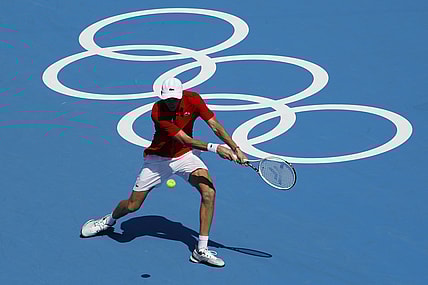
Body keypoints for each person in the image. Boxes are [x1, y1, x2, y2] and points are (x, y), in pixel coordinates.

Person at [80, 77, 248, 267]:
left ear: (181, 94)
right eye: (167, 98)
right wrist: (215, 148)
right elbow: (185, 139)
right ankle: (108, 221)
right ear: (162, 96)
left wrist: (235, 148)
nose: (171, 102)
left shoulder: (194, 100)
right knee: (133, 205)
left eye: (174, 98)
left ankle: (201, 249)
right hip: (157, 161)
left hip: (184, 157)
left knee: (209, 192)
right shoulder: (157, 111)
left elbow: (215, 125)